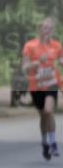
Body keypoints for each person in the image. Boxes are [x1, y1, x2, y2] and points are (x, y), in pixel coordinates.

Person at [21, 17, 62, 160]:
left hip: (51, 83)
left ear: (53, 31)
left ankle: (53, 142)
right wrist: (38, 62)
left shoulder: (57, 46)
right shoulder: (30, 46)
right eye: (44, 28)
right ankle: (44, 142)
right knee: (43, 115)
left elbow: (61, 60)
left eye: (49, 28)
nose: (47, 31)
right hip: (36, 85)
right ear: (39, 29)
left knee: (48, 110)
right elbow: (25, 68)